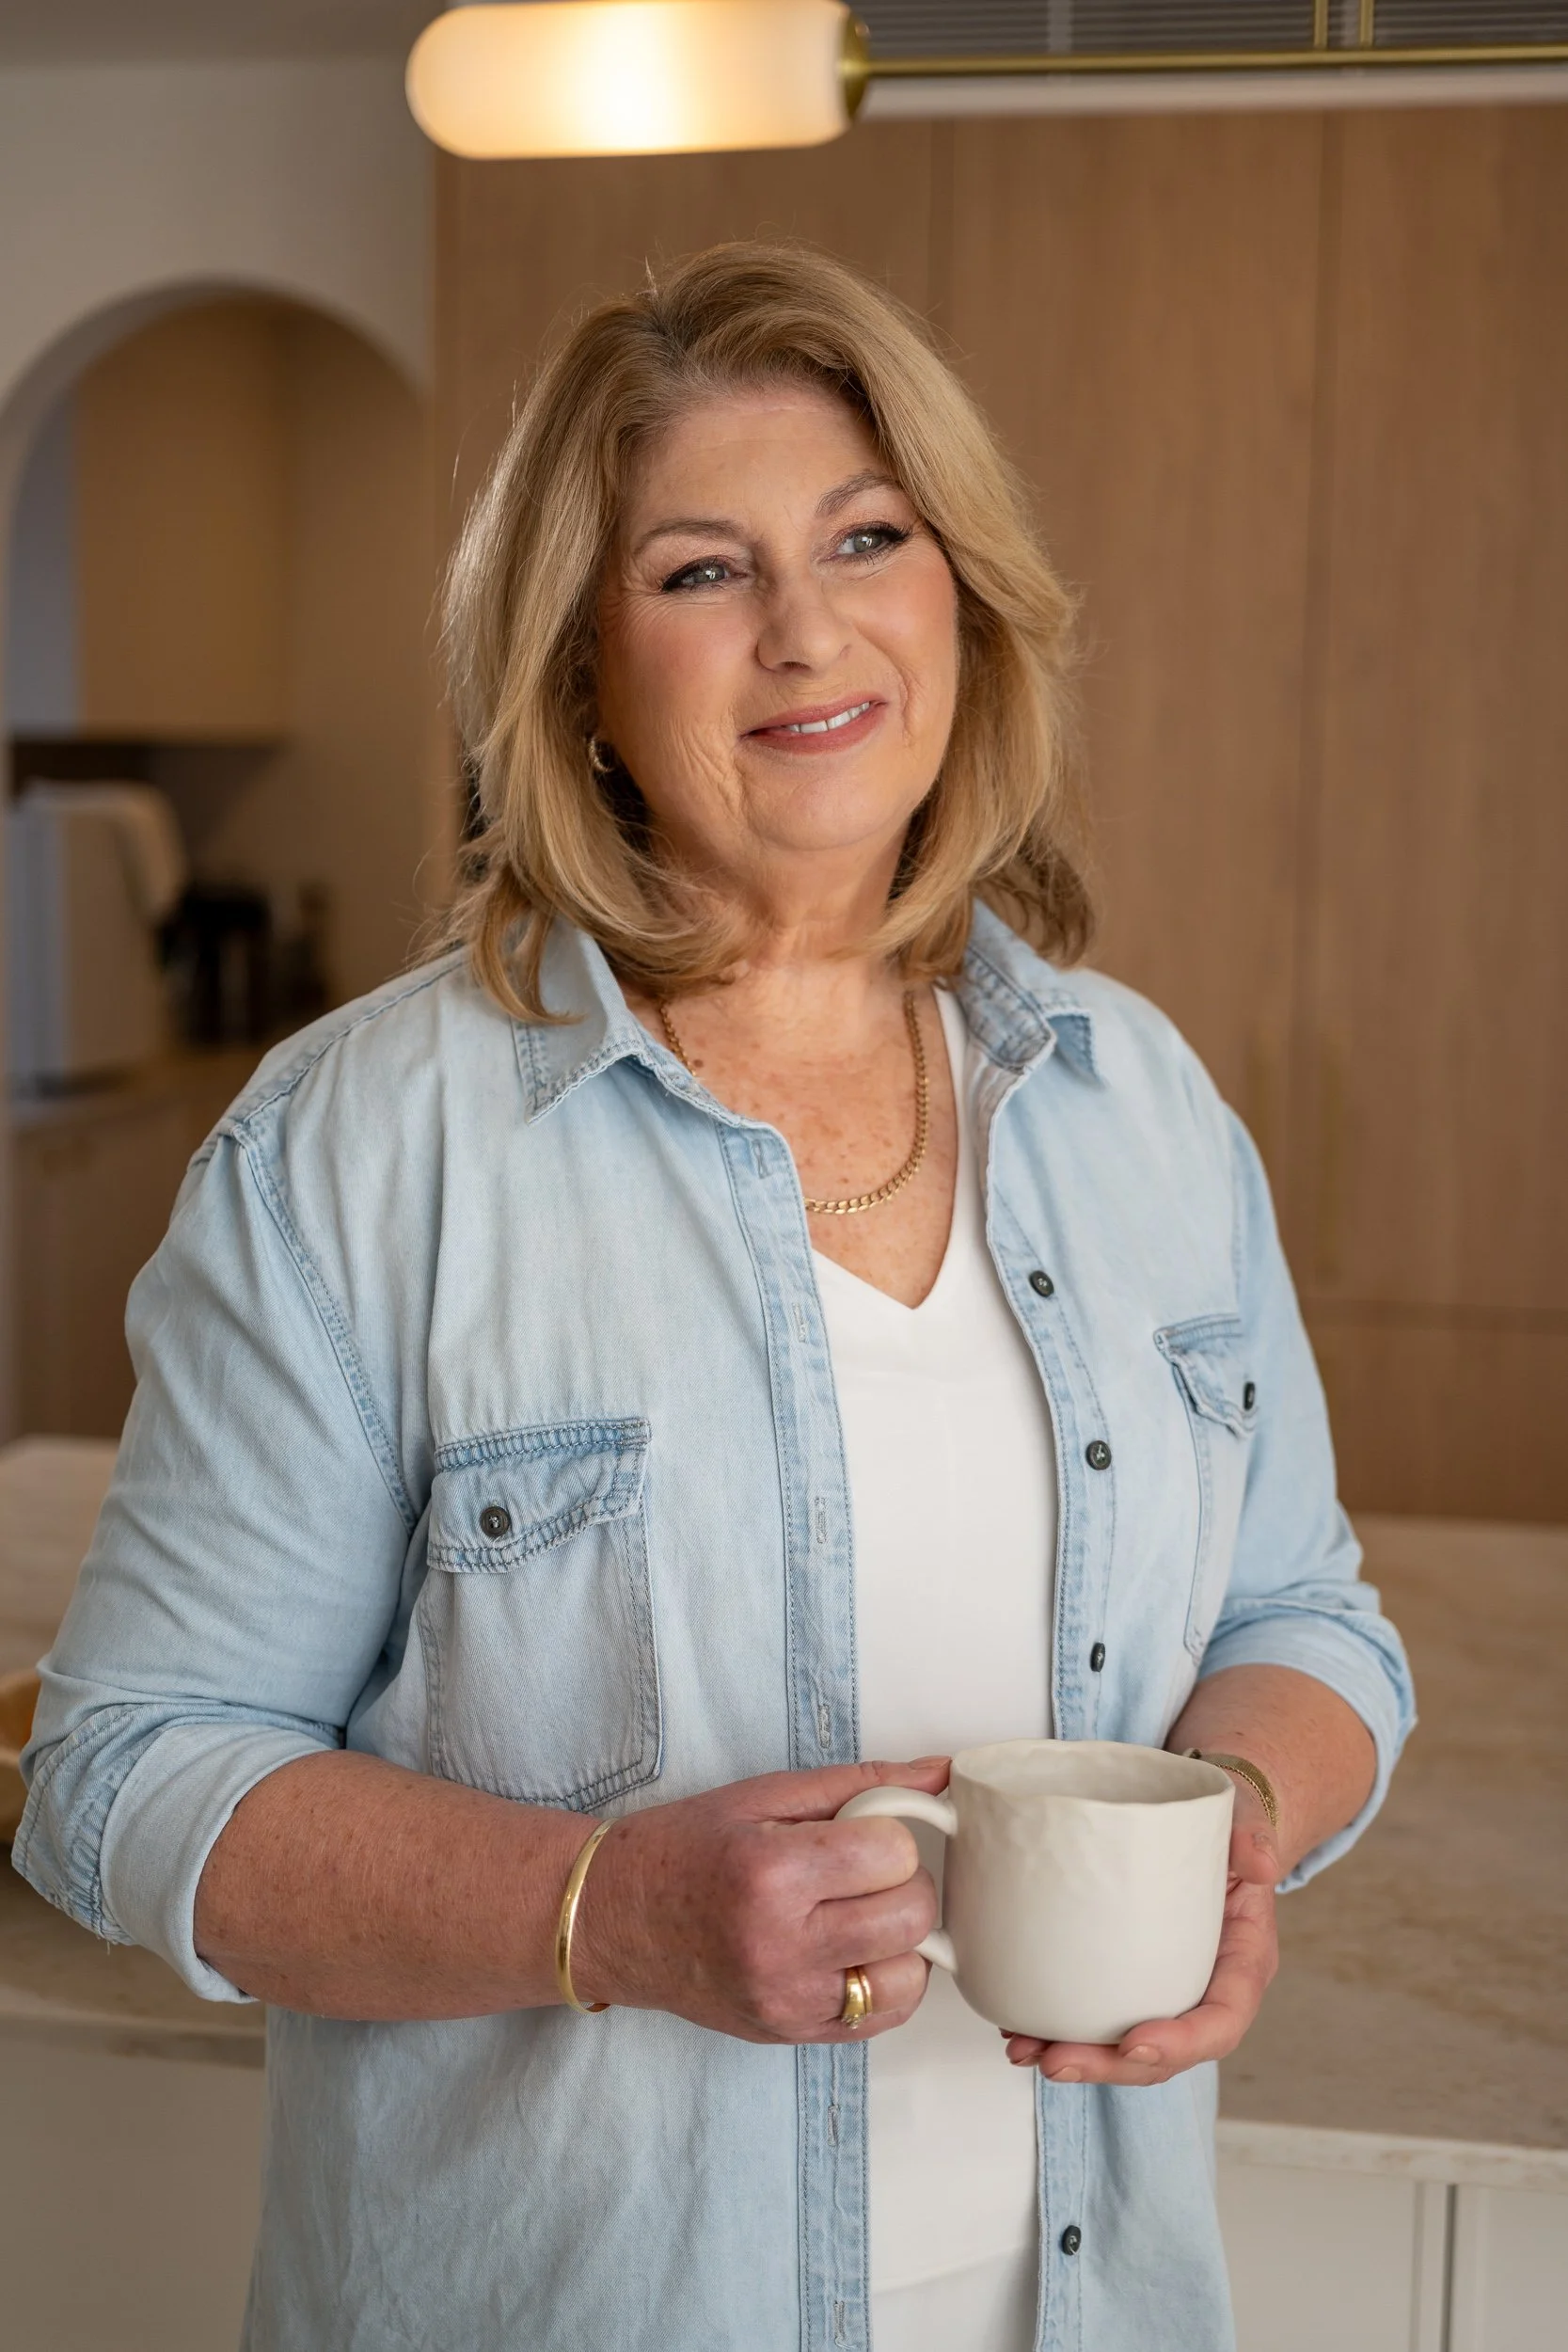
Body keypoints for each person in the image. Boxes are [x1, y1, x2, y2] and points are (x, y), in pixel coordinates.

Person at [16, 243, 1414, 2352]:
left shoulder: (1134, 1102)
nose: (805, 625)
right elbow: (126, 1775)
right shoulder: (358, 1149)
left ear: (961, 597)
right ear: (576, 671)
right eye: (698, 570)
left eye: (867, 536)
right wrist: (603, 1911)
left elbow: (1305, 1619)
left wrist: (1222, 1838)